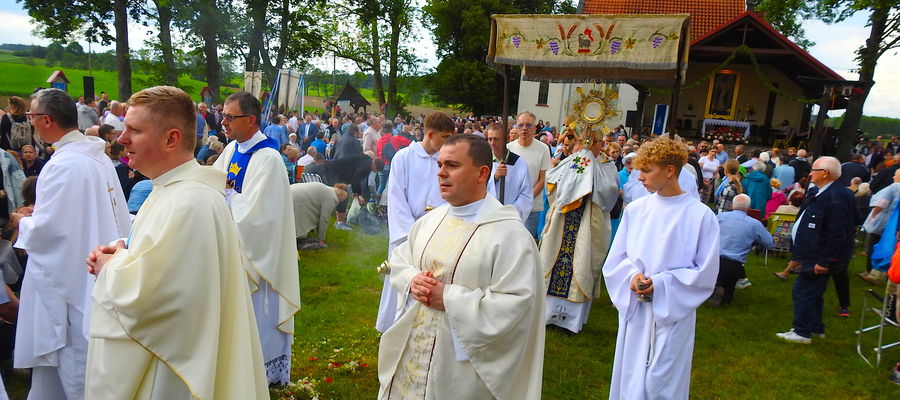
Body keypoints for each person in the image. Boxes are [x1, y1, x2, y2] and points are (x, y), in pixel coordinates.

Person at [84, 85, 269, 399]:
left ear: (171, 138)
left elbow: (158, 298)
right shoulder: (172, 190)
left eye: (134, 130)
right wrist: (126, 251)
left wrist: (109, 266)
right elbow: (170, 264)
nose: (121, 139)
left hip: (171, 373)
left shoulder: (188, 202)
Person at [377, 134, 545, 400]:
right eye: (440, 165)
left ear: (482, 174)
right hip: (415, 351)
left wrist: (448, 297)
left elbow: (517, 305)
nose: (441, 173)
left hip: (461, 367)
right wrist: (412, 280)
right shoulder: (430, 221)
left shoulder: (510, 236)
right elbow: (400, 259)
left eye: (452, 165)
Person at [11, 88, 131, 399]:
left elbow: (50, 232)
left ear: (46, 119)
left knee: (74, 357)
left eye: (33, 118)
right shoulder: (95, 156)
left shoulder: (64, 164)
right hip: (94, 260)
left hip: (72, 274)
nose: (32, 124)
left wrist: (22, 221)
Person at [603, 137, 719, 400]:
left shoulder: (700, 216)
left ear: (669, 171)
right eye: (638, 168)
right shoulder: (636, 210)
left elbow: (705, 272)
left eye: (647, 170)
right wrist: (632, 276)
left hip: (672, 312)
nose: (639, 176)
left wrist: (664, 284)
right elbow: (617, 258)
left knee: (662, 382)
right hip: (636, 310)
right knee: (630, 376)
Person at [214, 91, 300, 385]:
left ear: (251, 120)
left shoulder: (268, 159)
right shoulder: (231, 150)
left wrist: (226, 192)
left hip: (260, 255)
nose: (223, 122)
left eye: (229, 116)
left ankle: (262, 371)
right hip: (232, 246)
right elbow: (214, 183)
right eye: (222, 115)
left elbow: (256, 216)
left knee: (259, 314)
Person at [376, 112, 453, 332]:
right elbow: (397, 199)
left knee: (432, 280)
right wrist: (412, 234)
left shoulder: (444, 160)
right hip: (408, 233)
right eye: (445, 137)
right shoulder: (404, 157)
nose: (448, 143)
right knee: (403, 280)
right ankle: (393, 326)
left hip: (439, 230)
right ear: (430, 134)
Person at [540, 127, 618, 333]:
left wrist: (590, 187)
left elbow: (611, 191)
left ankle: (571, 322)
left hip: (588, 223)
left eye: (601, 141)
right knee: (555, 262)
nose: (601, 145)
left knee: (582, 265)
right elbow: (553, 179)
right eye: (597, 141)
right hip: (563, 222)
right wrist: (572, 192)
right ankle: (548, 316)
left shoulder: (606, 164)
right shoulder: (574, 160)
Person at [776, 156, 856, 343]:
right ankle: (815, 327)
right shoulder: (820, 192)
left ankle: (801, 332)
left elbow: (837, 232)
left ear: (826, 173)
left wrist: (825, 260)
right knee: (815, 292)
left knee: (803, 291)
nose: (810, 173)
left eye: (814, 170)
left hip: (817, 255)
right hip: (811, 252)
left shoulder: (836, 197)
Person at [709, 194, 774, 306]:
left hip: (715, 259)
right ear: (749, 209)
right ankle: (725, 295)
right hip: (735, 263)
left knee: (717, 277)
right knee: (730, 286)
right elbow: (769, 243)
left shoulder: (720, 217)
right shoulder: (754, 224)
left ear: (732, 206)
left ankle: (716, 288)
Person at [507, 111, 551, 238]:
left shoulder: (543, 149)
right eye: (521, 125)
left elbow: (543, 179)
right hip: (511, 205)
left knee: (525, 242)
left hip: (532, 206)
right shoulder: (509, 148)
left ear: (535, 128)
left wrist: (526, 199)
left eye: (528, 125)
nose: (524, 129)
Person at [485, 123, 532, 221]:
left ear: (506, 139)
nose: (492, 143)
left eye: (496, 139)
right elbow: (476, 188)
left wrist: (510, 212)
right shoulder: (484, 160)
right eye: (490, 139)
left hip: (511, 217)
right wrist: (494, 178)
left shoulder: (519, 163)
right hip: (488, 215)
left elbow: (526, 195)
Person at [291, 181, 348, 249]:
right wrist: (321, 240)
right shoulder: (332, 197)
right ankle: (296, 242)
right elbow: (324, 219)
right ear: (340, 196)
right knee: (299, 233)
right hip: (299, 200)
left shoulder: (328, 189)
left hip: (291, 191)